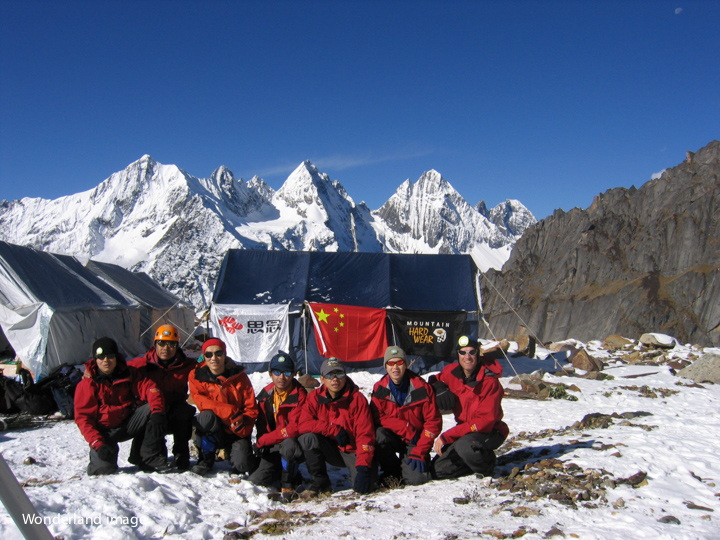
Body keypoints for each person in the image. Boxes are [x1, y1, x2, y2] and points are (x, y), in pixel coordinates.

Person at [74, 337, 170, 475]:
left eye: (110, 356)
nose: (106, 360)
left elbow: (150, 388)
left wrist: (157, 412)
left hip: (127, 423)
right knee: (103, 470)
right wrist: (98, 444)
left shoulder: (128, 373)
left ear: (116, 357)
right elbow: (84, 419)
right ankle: (102, 457)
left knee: (154, 409)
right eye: (101, 357)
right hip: (104, 432)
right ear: (95, 359)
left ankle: (147, 458)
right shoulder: (87, 385)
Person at [429, 335, 509, 479]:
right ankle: (470, 462)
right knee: (438, 469)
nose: (467, 357)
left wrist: (448, 436)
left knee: (465, 447)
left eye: (471, 352)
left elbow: (484, 422)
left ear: (477, 354)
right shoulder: (451, 372)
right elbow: (434, 380)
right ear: (458, 355)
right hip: (465, 431)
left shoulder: (490, 382)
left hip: (490, 431)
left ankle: (487, 465)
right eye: (462, 352)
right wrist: (439, 387)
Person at [298, 357, 376, 496]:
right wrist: (332, 430)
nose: (335, 379)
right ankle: (320, 482)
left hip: (353, 451)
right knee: (308, 438)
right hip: (330, 449)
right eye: (329, 375)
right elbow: (303, 424)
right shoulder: (314, 398)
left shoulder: (357, 399)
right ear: (322, 379)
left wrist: (363, 466)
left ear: (345, 377)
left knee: (364, 488)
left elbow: (366, 434)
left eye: (339, 374)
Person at [370, 345, 442, 486]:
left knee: (416, 480)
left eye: (399, 363)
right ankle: (392, 471)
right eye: (391, 363)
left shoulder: (422, 388)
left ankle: (408, 466)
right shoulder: (380, 388)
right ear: (385, 367)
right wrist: (404, 427)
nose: (395, 368)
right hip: (395, 436)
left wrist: (421, 450)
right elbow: (376, 416)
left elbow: (433, 423)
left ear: (406, 365)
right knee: (378, 435)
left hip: (416, 440)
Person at [129, 324, 196, 470]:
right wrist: (90, 371)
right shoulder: (141, 365)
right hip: (152, 415)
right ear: (155, 345)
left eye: (171, 344)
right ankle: (153, 454)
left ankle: (181, 453)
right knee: (152, 413)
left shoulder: (186, 365)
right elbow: (115, 368)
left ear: (177, 346)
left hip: (175, 412)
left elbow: (210, 364)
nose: (166, 348)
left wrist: (228, 363)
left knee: (185, 411)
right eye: (162, 343)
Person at [188, 338, 258, 476]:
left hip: (235, 430)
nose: (214, 358)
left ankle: (230, 451)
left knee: (242, 465)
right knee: (206, 417)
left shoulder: (240, 377)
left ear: (225, 354)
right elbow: (201, 401)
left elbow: (251, 408)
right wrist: (229, 411)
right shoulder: (197, 376)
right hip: (214, 428)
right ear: (204, 356)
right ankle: (205, 458)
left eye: (218, 353)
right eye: (208, 354)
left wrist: (245, 429)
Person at [248, 352, 307, 501]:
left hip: (293, 445)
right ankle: (279, 469)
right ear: (270, 374)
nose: (282, 377)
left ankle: (290, 481)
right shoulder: (265, 396)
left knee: (288, 444)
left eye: (287, 372)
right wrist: (262, 445)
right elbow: (261, 425)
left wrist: (264, 440)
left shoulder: (300, 396)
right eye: (277, 372)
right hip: (273, 445)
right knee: (257, 480)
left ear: (293, 374)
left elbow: (293, 429)